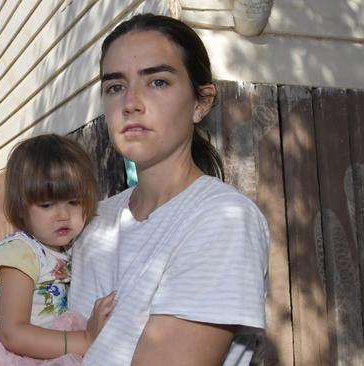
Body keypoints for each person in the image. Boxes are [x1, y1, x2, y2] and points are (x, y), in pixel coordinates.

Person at [69, 14, 270, 366]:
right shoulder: (93, 221)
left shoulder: (221, 220)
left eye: (157, 82)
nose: (130, 102)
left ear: (200, 102)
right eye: (115, 86)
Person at [0, 134, 116, 365]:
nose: (63, 215)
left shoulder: (69, 244)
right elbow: (12, 333)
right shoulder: (20, 252)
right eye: (47, 205)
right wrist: (85, 339)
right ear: (21, 208)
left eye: (74, 202)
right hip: (14, 357)